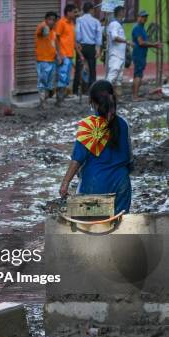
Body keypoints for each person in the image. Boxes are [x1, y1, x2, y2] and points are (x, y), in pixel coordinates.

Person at [59, 80, 133, 214]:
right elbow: (130, 160)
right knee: (119, 228)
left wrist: (65, 183)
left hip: (95, 184)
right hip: (122, 184)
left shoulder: (90, 126)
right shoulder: (123, 124)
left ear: (92, 102)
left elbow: (78, 159)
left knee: (91, 227)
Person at [131, 10, 163, 101]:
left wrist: (153, 44)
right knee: (138, 74)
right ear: (138, 17)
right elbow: (141, 43)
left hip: (142, 54)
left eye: (145, 17)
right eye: (142, 17)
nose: (144, 18)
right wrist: (154, 45)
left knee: (138, 74)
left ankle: (135, 94)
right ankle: (135, 96)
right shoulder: (137, 28)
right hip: (138, 54)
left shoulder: (142, 28)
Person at [74, 2, 102, 95]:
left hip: (82, 46)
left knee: (79, 69)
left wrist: (78, 42)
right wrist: (98, 50)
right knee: (92, 69)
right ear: (91, 10)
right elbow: (99, 37)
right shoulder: (96, 21)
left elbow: (77, 33)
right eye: (93, 10)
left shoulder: (79, 20)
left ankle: (76, 90)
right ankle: (91, 90)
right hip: (91, 47)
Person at [54, 4, 79, 104]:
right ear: (68, 12)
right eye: (74, 12)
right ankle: (59, 100)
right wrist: (59, 54)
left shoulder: (71, 23)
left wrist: (78, 52)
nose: (75, 14)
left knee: (66, 78)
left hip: (69, 55)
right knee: (62, 77)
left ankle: (61, 99)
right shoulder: (61, 23)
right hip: (63, 55)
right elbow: (56, 38)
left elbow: (72, 41)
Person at [35, 11, 59, 108]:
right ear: (46, 20)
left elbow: (54, 45)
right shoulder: (42, 27)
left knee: (49, 84)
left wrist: (58, 55)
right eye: (49, 19)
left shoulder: (53, 32)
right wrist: (44, 27)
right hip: (42, 60)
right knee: (42, 82)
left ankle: (44, 100)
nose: (51, 22)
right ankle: (42, 102)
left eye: (53, 20)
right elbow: (41, 31)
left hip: (52, 60)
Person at [105, 6, 131, 95]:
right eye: (124, 11)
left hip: (121, 56)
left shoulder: (119, 24)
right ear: (120, 12)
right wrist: (126, 41)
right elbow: (114, 37)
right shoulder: (114, 24)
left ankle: (117, 98)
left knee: (119, 79)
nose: (125, 13)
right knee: (112, 75)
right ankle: (104, 96)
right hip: (116, 55)